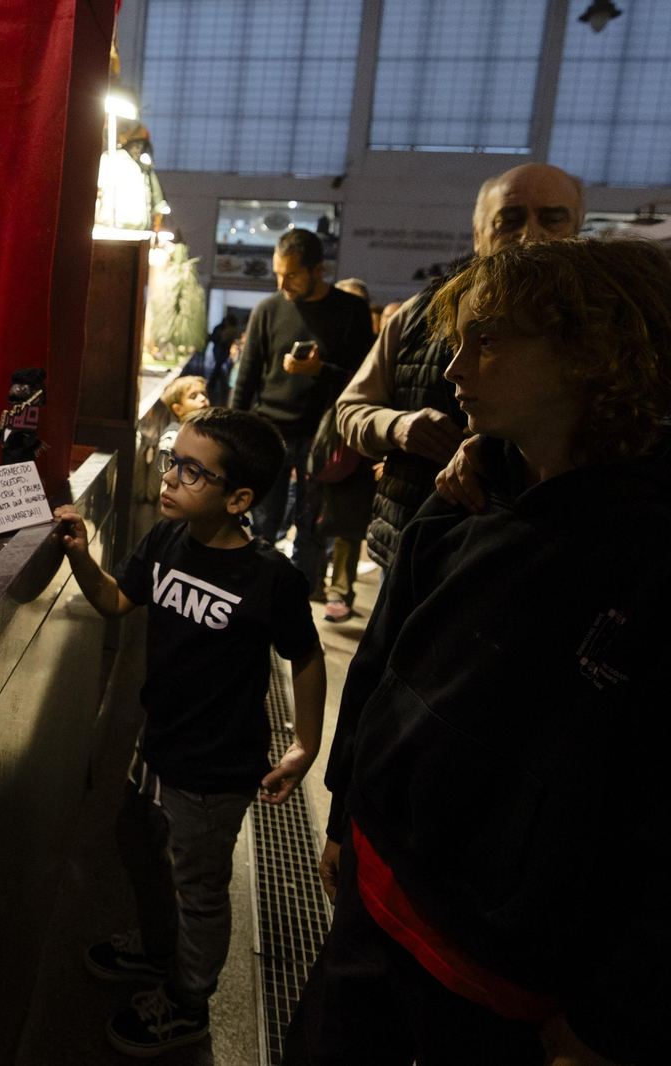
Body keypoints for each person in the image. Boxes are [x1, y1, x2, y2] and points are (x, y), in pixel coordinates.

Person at [285, 237, 671, 1066]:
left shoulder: (645, 553)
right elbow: (383, 663)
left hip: (502, 972)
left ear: (589, 351)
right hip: (376, 893)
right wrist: (346, 809)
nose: (455, 368)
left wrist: (617, 1014)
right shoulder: (465, 491)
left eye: (487, 341)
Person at [53, 406, 327, 1057]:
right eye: (172, 462)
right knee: (138, 845)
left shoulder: (270, 578)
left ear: (239, 498)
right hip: (156, 747)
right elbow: (118, 600)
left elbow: (308, 656)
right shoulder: (166, 542)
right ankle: (156, 949)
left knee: (197, 888)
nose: (170, 478)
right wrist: (83, 558)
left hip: (214, 770)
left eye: (191, 471)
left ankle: (188, 1001)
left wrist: (305, 743)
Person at [333, 163, 584, 572]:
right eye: (509, 220)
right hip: (416, 545)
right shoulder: (417, 315)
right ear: (478, 232)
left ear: (578, 226)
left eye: (553, 218)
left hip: (546, 557)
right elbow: (350, 410)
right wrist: (398, 427)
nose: (531, 234)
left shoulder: (605, 328)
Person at [229, 229, 374, 595]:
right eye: (277, 274)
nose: (282, 283)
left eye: (291, 275)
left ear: (318, 270)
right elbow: (245, 379)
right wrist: (231, 436)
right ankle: (258, 595)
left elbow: (364, 380)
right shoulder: (268, 309)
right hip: (269, 431)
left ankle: (299, 602)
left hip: (323, 436)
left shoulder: (351, 310)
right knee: (262, 522)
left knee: (311, 528)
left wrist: (319, 371)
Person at [157, 374, 208, 453]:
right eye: (193, 396)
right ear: (178, 409)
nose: (203, 398)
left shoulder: (206, 431)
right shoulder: (172, 439)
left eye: (203, 394)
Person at [205, 313, 241, 405]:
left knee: (219, 366)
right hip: (220, 348)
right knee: (219, 366)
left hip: (224, 349)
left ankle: (215, 383)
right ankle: (218, 383)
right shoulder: (221, 328)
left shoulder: (228, 329)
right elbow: (216, 338)